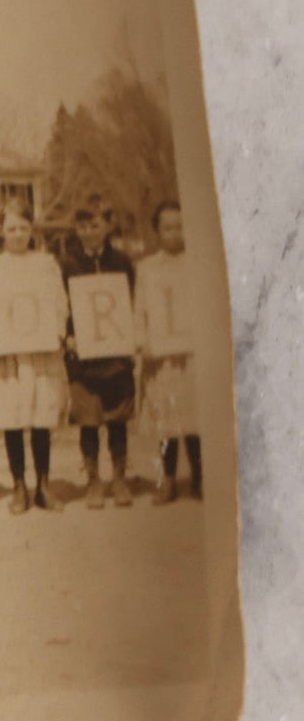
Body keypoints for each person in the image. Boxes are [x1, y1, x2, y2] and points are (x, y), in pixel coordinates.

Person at [0, 199, 70, 513]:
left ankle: (43, 485)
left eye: (23, 228)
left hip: (41, 353)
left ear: (32, 229)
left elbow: (60, 303)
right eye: (11, 228)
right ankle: (19, 486)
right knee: (13, 418)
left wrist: (56, 331)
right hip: (10, 357)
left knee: (41, 418)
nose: (17, 234)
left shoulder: (46, 264)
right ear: (2, 231)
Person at [61, 194, 137, 509]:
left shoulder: (122, 263)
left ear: (106, 225)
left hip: (115, 355)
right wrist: (67, 337)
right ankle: (93, 479)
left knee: (117, 418)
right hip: (83, 357)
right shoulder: (66, 264)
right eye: (82, 226)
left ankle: (119, 476)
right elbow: (59, 306)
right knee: (88, 420)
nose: (88, 232)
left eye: (94, 225)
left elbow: (132, 303)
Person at [134, 200, 202, 502]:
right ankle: (169, 479)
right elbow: (140, 311)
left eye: (179, 226)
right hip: (160, 357)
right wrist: (143, 342)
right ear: (157, 232)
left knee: (194, 419)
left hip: (192, 355)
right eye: (167, 228)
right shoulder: (147, 268)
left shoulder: (198, 263)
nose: (174, 233)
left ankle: (199, 478)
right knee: (166, 422)